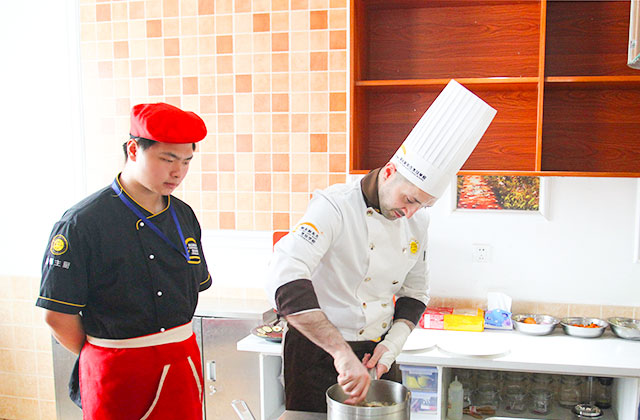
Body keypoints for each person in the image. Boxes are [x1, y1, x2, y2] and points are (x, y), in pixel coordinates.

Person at [265, 79, 497, 412]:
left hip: (377, 354)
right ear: (389, 172)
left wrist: (391, 347)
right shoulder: (334, 206)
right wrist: (341, 352)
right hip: (317, 353)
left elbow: (415, 293)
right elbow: (284, 275)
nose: (411, 212)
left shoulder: (417, 221)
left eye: (423, 205)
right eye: (410, 199)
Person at [36, 102, 211, 420]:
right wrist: (111, 353)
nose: (178, 172)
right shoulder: (82, 223)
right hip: (115, 370)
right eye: (167, 159)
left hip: (182, 362)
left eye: (186, 161)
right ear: (133, 149)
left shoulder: (183, 215)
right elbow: (57, 316)